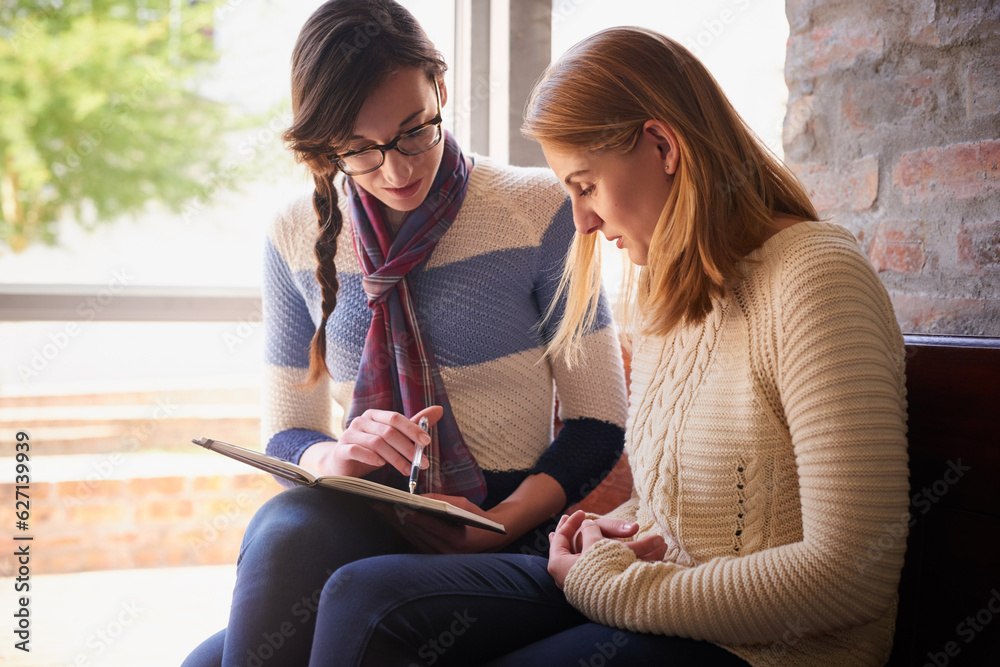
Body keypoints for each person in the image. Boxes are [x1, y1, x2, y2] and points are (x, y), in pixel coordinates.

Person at [289, 26, 910, 667]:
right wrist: (602, 534)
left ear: (663, 146)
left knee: (386, 613)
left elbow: (850, 574)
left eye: (585, 186)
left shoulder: (816, 277)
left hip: (769, 652)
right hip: (667, 611)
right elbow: (686, 511)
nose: (582, 220)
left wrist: (606, 582)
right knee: (353, 597)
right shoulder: (679, 292)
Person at [181, 2, 629, 665]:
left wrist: (499, 523)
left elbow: (599, 422)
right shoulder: (294, 232)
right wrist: (333, 460)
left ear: (439, 90)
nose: (396, 170)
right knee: (280, 532)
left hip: (509, 532)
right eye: (359, 150)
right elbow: (287, 430)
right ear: (326, 146)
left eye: (414, 131)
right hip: (365, 520)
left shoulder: (537, 210)